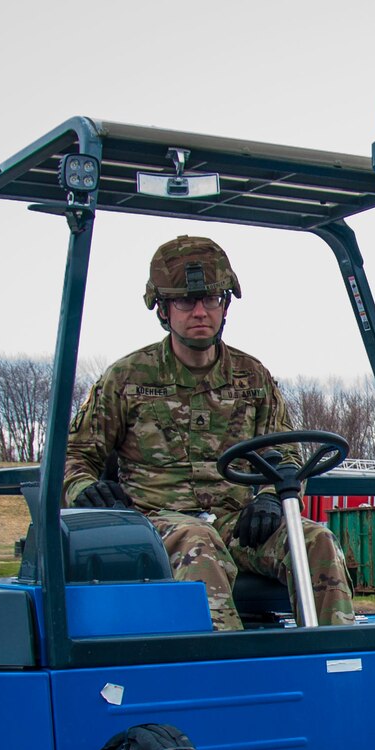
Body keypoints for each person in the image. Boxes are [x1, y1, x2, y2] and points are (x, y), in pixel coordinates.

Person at [62, 235, 354, 630]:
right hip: (158, 523)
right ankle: (227, 677)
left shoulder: (252, 378)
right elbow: (75, 454)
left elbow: (285, 457)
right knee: (197, 543)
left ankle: (331, 663)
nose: (200, 311)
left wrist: (270, 500)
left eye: (211, 300)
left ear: (225, 305)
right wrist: (82, 487)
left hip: (238, 522)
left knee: (317, 542)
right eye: (185, 301)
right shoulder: (127, 379)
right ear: (163, 309)